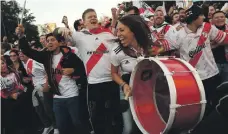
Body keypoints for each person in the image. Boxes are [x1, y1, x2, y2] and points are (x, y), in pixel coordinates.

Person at [150, 5, 228, 117]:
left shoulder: (207, 27)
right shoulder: (179, 34)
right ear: (195, 18)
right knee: (199, 109)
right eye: (201, 15)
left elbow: (224, 38)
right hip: (194, 79)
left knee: (214, 106)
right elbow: (160, 49)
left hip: (212, 75)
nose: (203, 17)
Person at [16, 26, 89, 134]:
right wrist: (21, 36)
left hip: (72, 96)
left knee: (77, 122)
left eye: (52, 40)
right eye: (47, 41)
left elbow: (83, 71)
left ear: (59, 42)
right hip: (57, 98)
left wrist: (73, 70)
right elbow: (28, 51)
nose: (49, 42)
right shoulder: (45, 56)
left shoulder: (70, 56)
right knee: (61, 125)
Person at [60, 8, 122, 134]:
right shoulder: (79, 35)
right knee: (97, 117)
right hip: (94, 83)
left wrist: (115, 17)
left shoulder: (108, 33)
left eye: (94, 16)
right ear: (84, 22)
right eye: (90, 17)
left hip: (113, 81)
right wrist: (65, 30)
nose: (93, 18)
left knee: (114, 115)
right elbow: (67, 37)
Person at [111, 15, 152, 134]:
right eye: (117, 30)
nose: (118, 34)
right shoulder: (116, 51)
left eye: (122, 30)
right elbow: (113, 73)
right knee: (129, 129)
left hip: (146, 89)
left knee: (145, 124)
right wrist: (124, 85)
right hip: (127, 88)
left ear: (134, 31)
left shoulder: (148, 46)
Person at [19, 51, 58, 134]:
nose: (21, 55)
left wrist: (46, 84)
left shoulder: (34, 63)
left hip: (43, 87)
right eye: (19, 53)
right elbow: (35, 75)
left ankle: (56, 126)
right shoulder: (24, 63)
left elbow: (48, 70)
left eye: (23, 53)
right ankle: (48, 125)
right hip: (36, 88)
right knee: (38, 109)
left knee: (47, 109)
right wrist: (29, 80)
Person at [211, 11, 228, 82]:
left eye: (222, 17)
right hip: (213, 63)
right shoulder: (207, 30)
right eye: (216, 18)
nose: (220, 19)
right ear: (212, 20)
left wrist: (217, 42)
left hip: (226, 62)